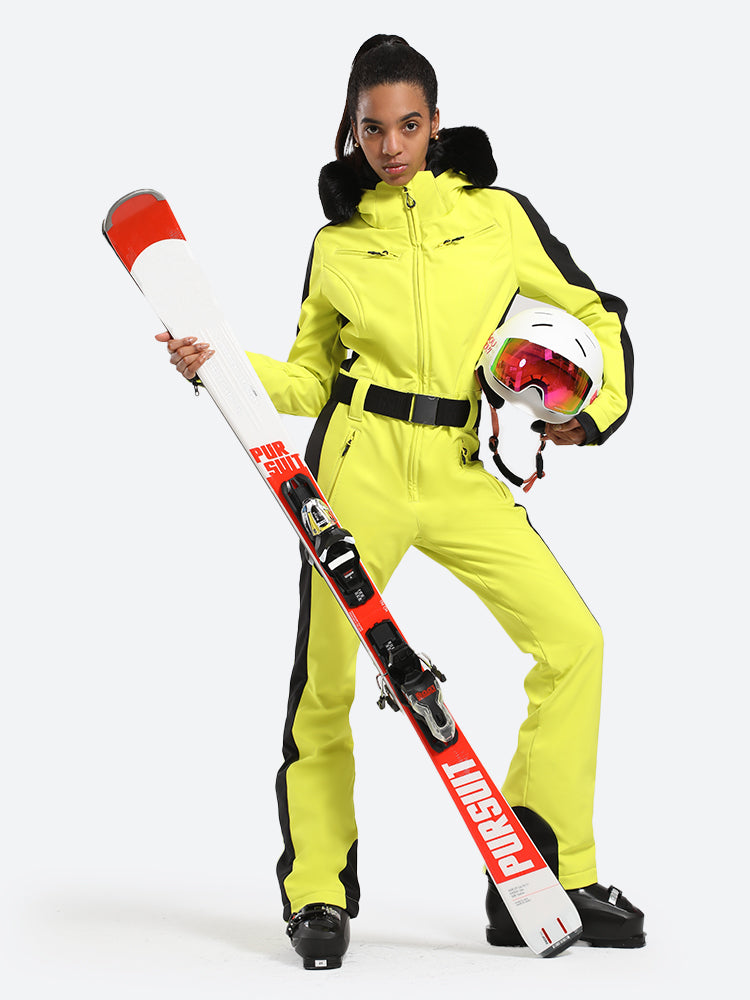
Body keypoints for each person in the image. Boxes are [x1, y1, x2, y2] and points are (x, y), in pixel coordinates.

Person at [158, 34, 643, 969]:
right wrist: (215, 363)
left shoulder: (498, 217)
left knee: (573, 641)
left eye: (409, 125)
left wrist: (594, 411)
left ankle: (544, 873)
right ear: (352, 130)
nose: (391, 146)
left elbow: (596, 309)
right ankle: (317, 890)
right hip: (358, 467)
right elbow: (309, 378)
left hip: (459, 465)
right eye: (373, 129)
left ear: (435, 123)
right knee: (328, 679)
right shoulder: (337, 242)